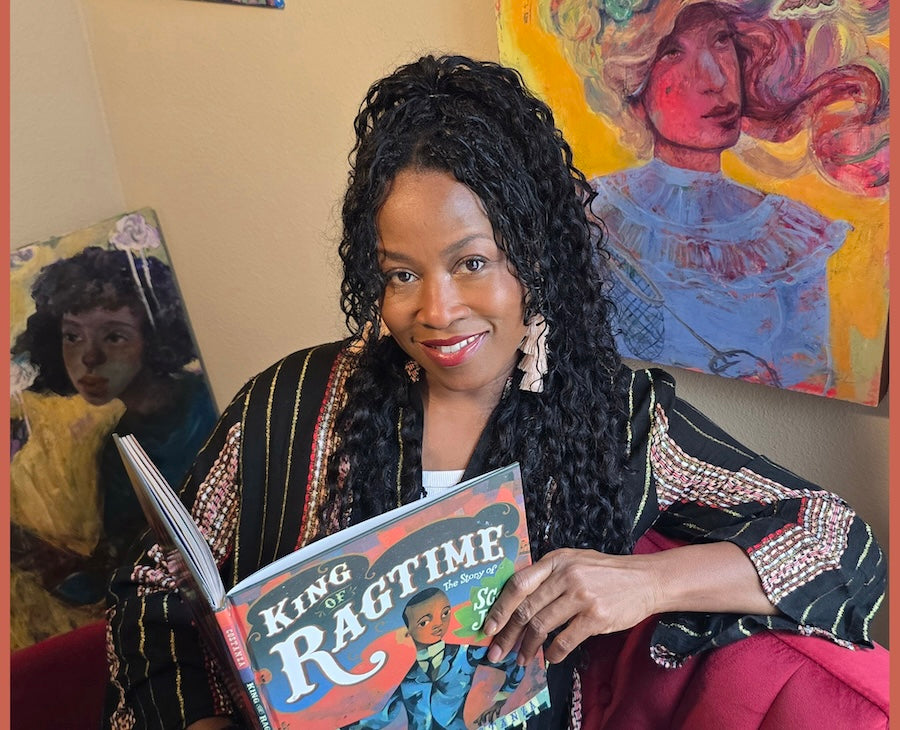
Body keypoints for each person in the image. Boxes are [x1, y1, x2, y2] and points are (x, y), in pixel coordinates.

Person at [104, 55, 885, 730]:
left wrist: (644, 583)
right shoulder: (287, 405)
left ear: (534, 256)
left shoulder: (613, 421)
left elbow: (837, 541)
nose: (437, 312)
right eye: (401, 274)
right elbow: (153, 588)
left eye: (471, 263)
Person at [541, 0, 888, 394]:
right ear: (632, 81)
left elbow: (811, 381)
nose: (715, 78)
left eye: (722, 41)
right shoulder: (587, 214)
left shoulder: (793, 239)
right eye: (673, 51)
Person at [10, 244, 218, 648]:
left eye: (114, 336)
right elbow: (123, 573)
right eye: (72, 336)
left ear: (153, 340)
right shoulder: (119, 444)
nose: (89, 358)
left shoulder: (202, 413)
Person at [342, 588, 525, 729]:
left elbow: (516, 665)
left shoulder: (465, 654)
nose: (438, 624)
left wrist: (500, 701)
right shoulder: (406, 675)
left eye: (444, 613)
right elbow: (382, 715)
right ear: (407, 631)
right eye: (424, 622)